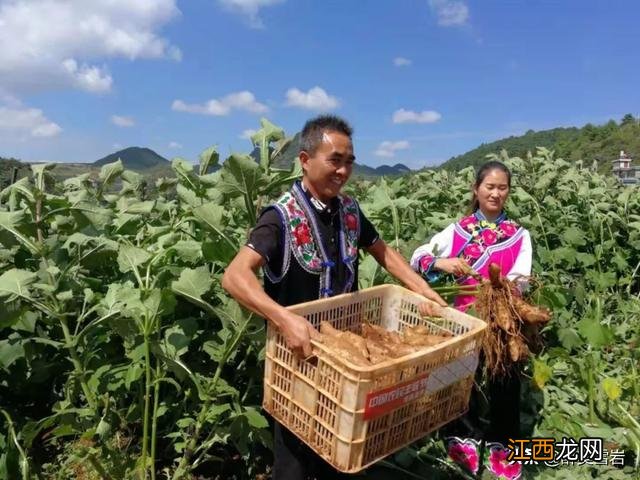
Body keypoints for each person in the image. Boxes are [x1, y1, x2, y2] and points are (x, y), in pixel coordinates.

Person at [222, 114, 446, 480]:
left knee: (343, 455)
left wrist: (423, 290)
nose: (343, 171)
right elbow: (234, 276)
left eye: (349, 162)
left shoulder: (350, 211)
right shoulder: (280, 218)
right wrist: (284, 318)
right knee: (294, 461)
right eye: (334, 160)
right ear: (305, 161)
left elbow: (383, 253)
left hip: (348, 360)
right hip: (297, 362)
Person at [410, 161, 532, 479]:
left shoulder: (519, 235)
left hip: (501, 321)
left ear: (508, 192)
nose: (495, 193)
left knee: (506, 379)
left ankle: (505, 444)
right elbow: (417, 258)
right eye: (489, 186)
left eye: (502, 187)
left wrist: (503, 294)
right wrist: (443, 262)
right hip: (463, 322)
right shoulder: (457, 230)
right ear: (476, 190)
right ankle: (461, 433)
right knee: (459, 379)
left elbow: (522, 281)